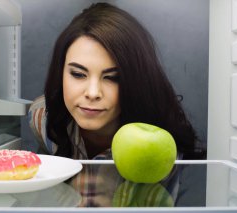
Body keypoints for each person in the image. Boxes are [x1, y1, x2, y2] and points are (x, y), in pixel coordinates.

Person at [28, 2, 206, 160]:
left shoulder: (160, 140)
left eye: (112, 78)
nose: (93, 93)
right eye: (78, 74)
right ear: (60, 73)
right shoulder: (41, 117)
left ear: (136, 81)